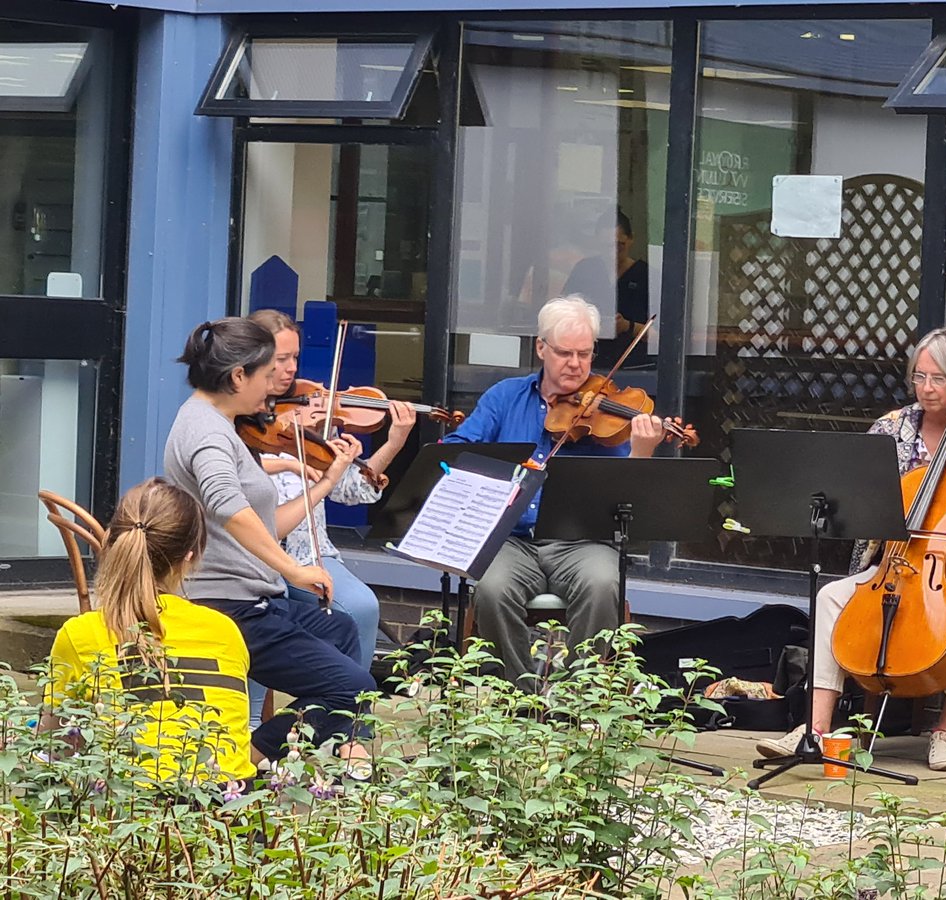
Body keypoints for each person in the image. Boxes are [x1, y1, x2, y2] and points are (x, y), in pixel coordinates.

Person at [756, 327, 946, 771]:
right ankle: (814, 730)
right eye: (920, 377)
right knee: (830, 597)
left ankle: (945, 732)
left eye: (939, 379)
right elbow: (857, 497)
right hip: (895, 563)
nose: (927, 389)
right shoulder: (891, 428)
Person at [162, 317, 376, 772]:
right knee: (353, 688)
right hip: (226, 605)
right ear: (238, 375)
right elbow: (227, 505)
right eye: (264, 375)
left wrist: (327, 482)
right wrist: (294, 570)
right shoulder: (208, 432)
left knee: (339, 629)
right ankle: (247, 762)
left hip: (254, 598)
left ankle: (333, 749)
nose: (272, 389)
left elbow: (263, 522)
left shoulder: (218, 421)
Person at [442, 296, 667, 688]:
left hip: (581, 542)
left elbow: (628, 497)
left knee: (602, 584)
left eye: (585, 353)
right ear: (541, 348)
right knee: (493, 589)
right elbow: (453, 455)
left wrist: (641, 451)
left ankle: (575, 697)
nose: (576, 364)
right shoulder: (503, 397)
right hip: (511, 539)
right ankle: (518, 695)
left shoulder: (610, 413)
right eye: (565, 353)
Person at [43, 477, 256, 785]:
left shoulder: (81, 633)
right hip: (231, 814)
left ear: (113, 542)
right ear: (191, 557)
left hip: (133, 811)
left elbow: (53, 745)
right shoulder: (225, 630)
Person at [248, 308, 417, 672]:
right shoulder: (239, 416)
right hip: (256, 558)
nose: (292, 368)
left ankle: (351, 711)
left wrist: (393, 443)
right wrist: (291, 460)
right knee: (261, 614)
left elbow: (350, 490)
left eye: (295, 357)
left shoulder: (312, 414)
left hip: (312, 555)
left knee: (363, 606)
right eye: (281, 359)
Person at [563, 210, 651, 369]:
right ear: (597, 242)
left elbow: (662, 337)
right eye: (606, 246)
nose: (612, 252)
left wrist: (627, 326)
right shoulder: (585, 270)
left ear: (631, 239)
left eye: (619, 245)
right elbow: (562, 316)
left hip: (635, 367)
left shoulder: (647, 276)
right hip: (589, 364)